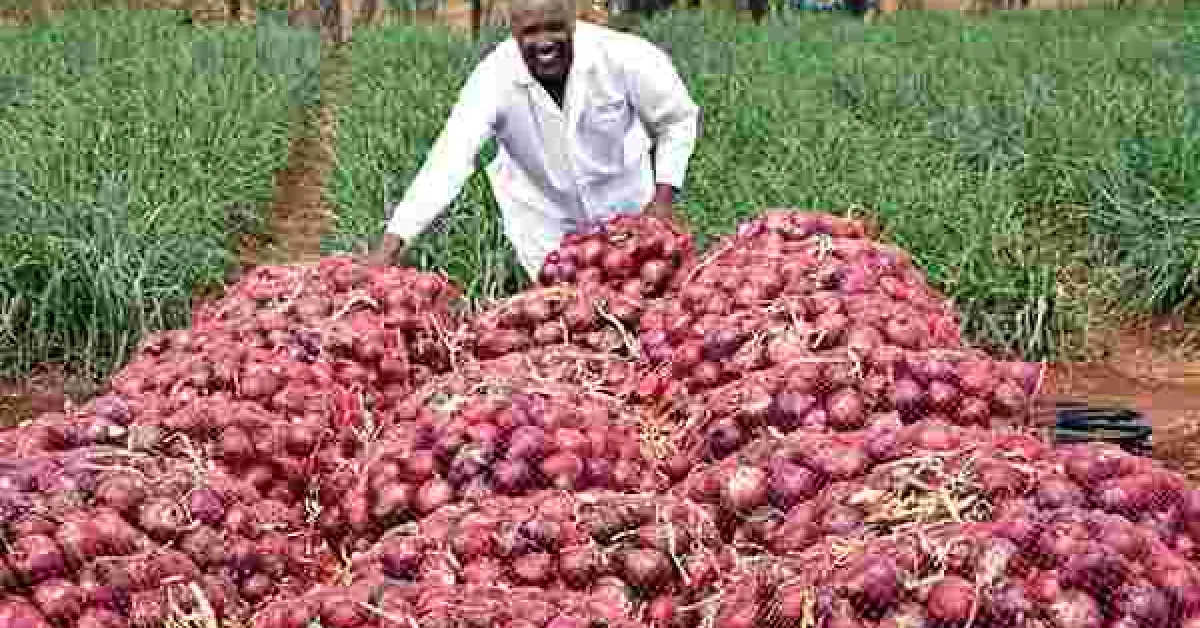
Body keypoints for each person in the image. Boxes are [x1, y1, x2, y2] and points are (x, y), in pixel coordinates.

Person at [368, 0, 701, 277]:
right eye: (530, 32)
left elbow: (677, 120)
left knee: (642, 306)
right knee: (567, 322)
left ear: (573, 23)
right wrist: (392, 245)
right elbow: (449, 159)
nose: (544, 43)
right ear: (513, 32)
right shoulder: (493, 78)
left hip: (626, 206)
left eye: (554, 27)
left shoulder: (624, 56)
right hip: (545, 221)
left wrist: (662, 201)